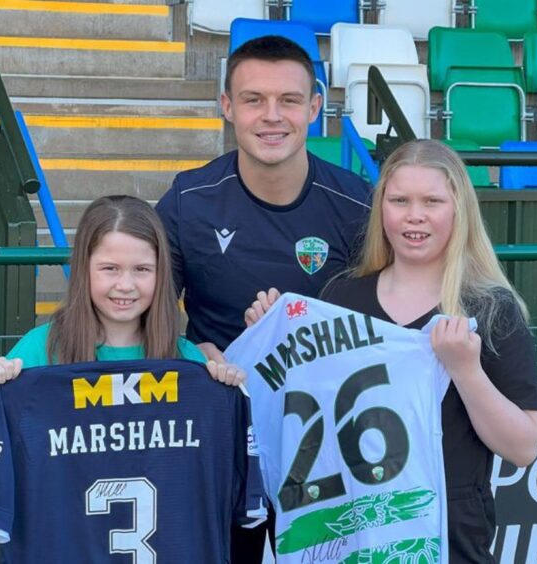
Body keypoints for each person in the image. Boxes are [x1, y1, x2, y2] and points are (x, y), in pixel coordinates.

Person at [245, 140, 537, 563]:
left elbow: (524, 447)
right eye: (400, 200)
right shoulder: (342, 296)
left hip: (448, 538)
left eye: (432, 201)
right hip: (349, 534)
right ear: (381, 207)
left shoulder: (489, 308)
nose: (414, 215)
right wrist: (270, 336)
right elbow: (299, 408)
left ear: (459, 210)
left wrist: (466, 370)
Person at [155, 34, 372, 562]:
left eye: (289, 100)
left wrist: (298, 330)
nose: (271, 116)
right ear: (228, 107)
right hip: (223, 430)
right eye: (253, 100)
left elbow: (384, 320)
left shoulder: (357, 204)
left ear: (316, 107)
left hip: (327, 433)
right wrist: (192, 355)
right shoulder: (188, 199)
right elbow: (149, 311)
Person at [0, 195, 243, 473]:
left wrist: (230, 396)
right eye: (110, 269)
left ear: (161, 273)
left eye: (142, 269)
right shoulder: (39, 350)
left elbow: (223, 471)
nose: (126, 284)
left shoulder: (188, 361)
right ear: (84, 270)